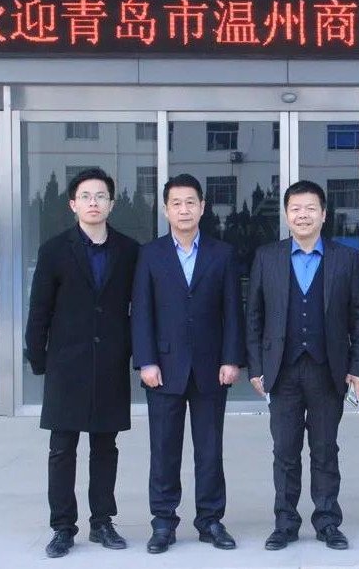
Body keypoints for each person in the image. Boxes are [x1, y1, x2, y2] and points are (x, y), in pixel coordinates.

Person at [246, 180, 359, 551]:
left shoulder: (345, 259)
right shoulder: (267, 257)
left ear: (324, 214)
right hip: (281, 370)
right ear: (286, 215)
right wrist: (256, 366)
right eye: (296, 209)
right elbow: (253, 316)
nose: (303, 215)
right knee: (285, 451)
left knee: (325, 449)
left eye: (310, 208)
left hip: (327, 370)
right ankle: (285, 523)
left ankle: (328, 522)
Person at [25, 167, 139, 558]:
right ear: (73, 204)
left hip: (110, 362)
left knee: (105, 447)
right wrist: (37, 356)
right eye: (86, 196)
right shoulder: (55, 250)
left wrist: (136, 353)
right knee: (62, 449)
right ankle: (62, 527)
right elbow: (39, 308)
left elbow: (139, 308)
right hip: (66, 363)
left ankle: (102, 522)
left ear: (111, 203)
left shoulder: (129, 250)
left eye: (101, 196)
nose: (94, 202)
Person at [130, 174, 244, 554]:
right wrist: (146, 361)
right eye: (176, 203)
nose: (184, 209)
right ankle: (163, 522)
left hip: (212, 368)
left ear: (202, 207)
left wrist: (232, 358)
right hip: (163, 369)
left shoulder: (222, 253)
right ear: (166, 210)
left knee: (210, 451)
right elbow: (141, 311)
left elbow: (233, 310)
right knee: (164, 450)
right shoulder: (150, 254)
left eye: (190, 202)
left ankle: (210, 520)